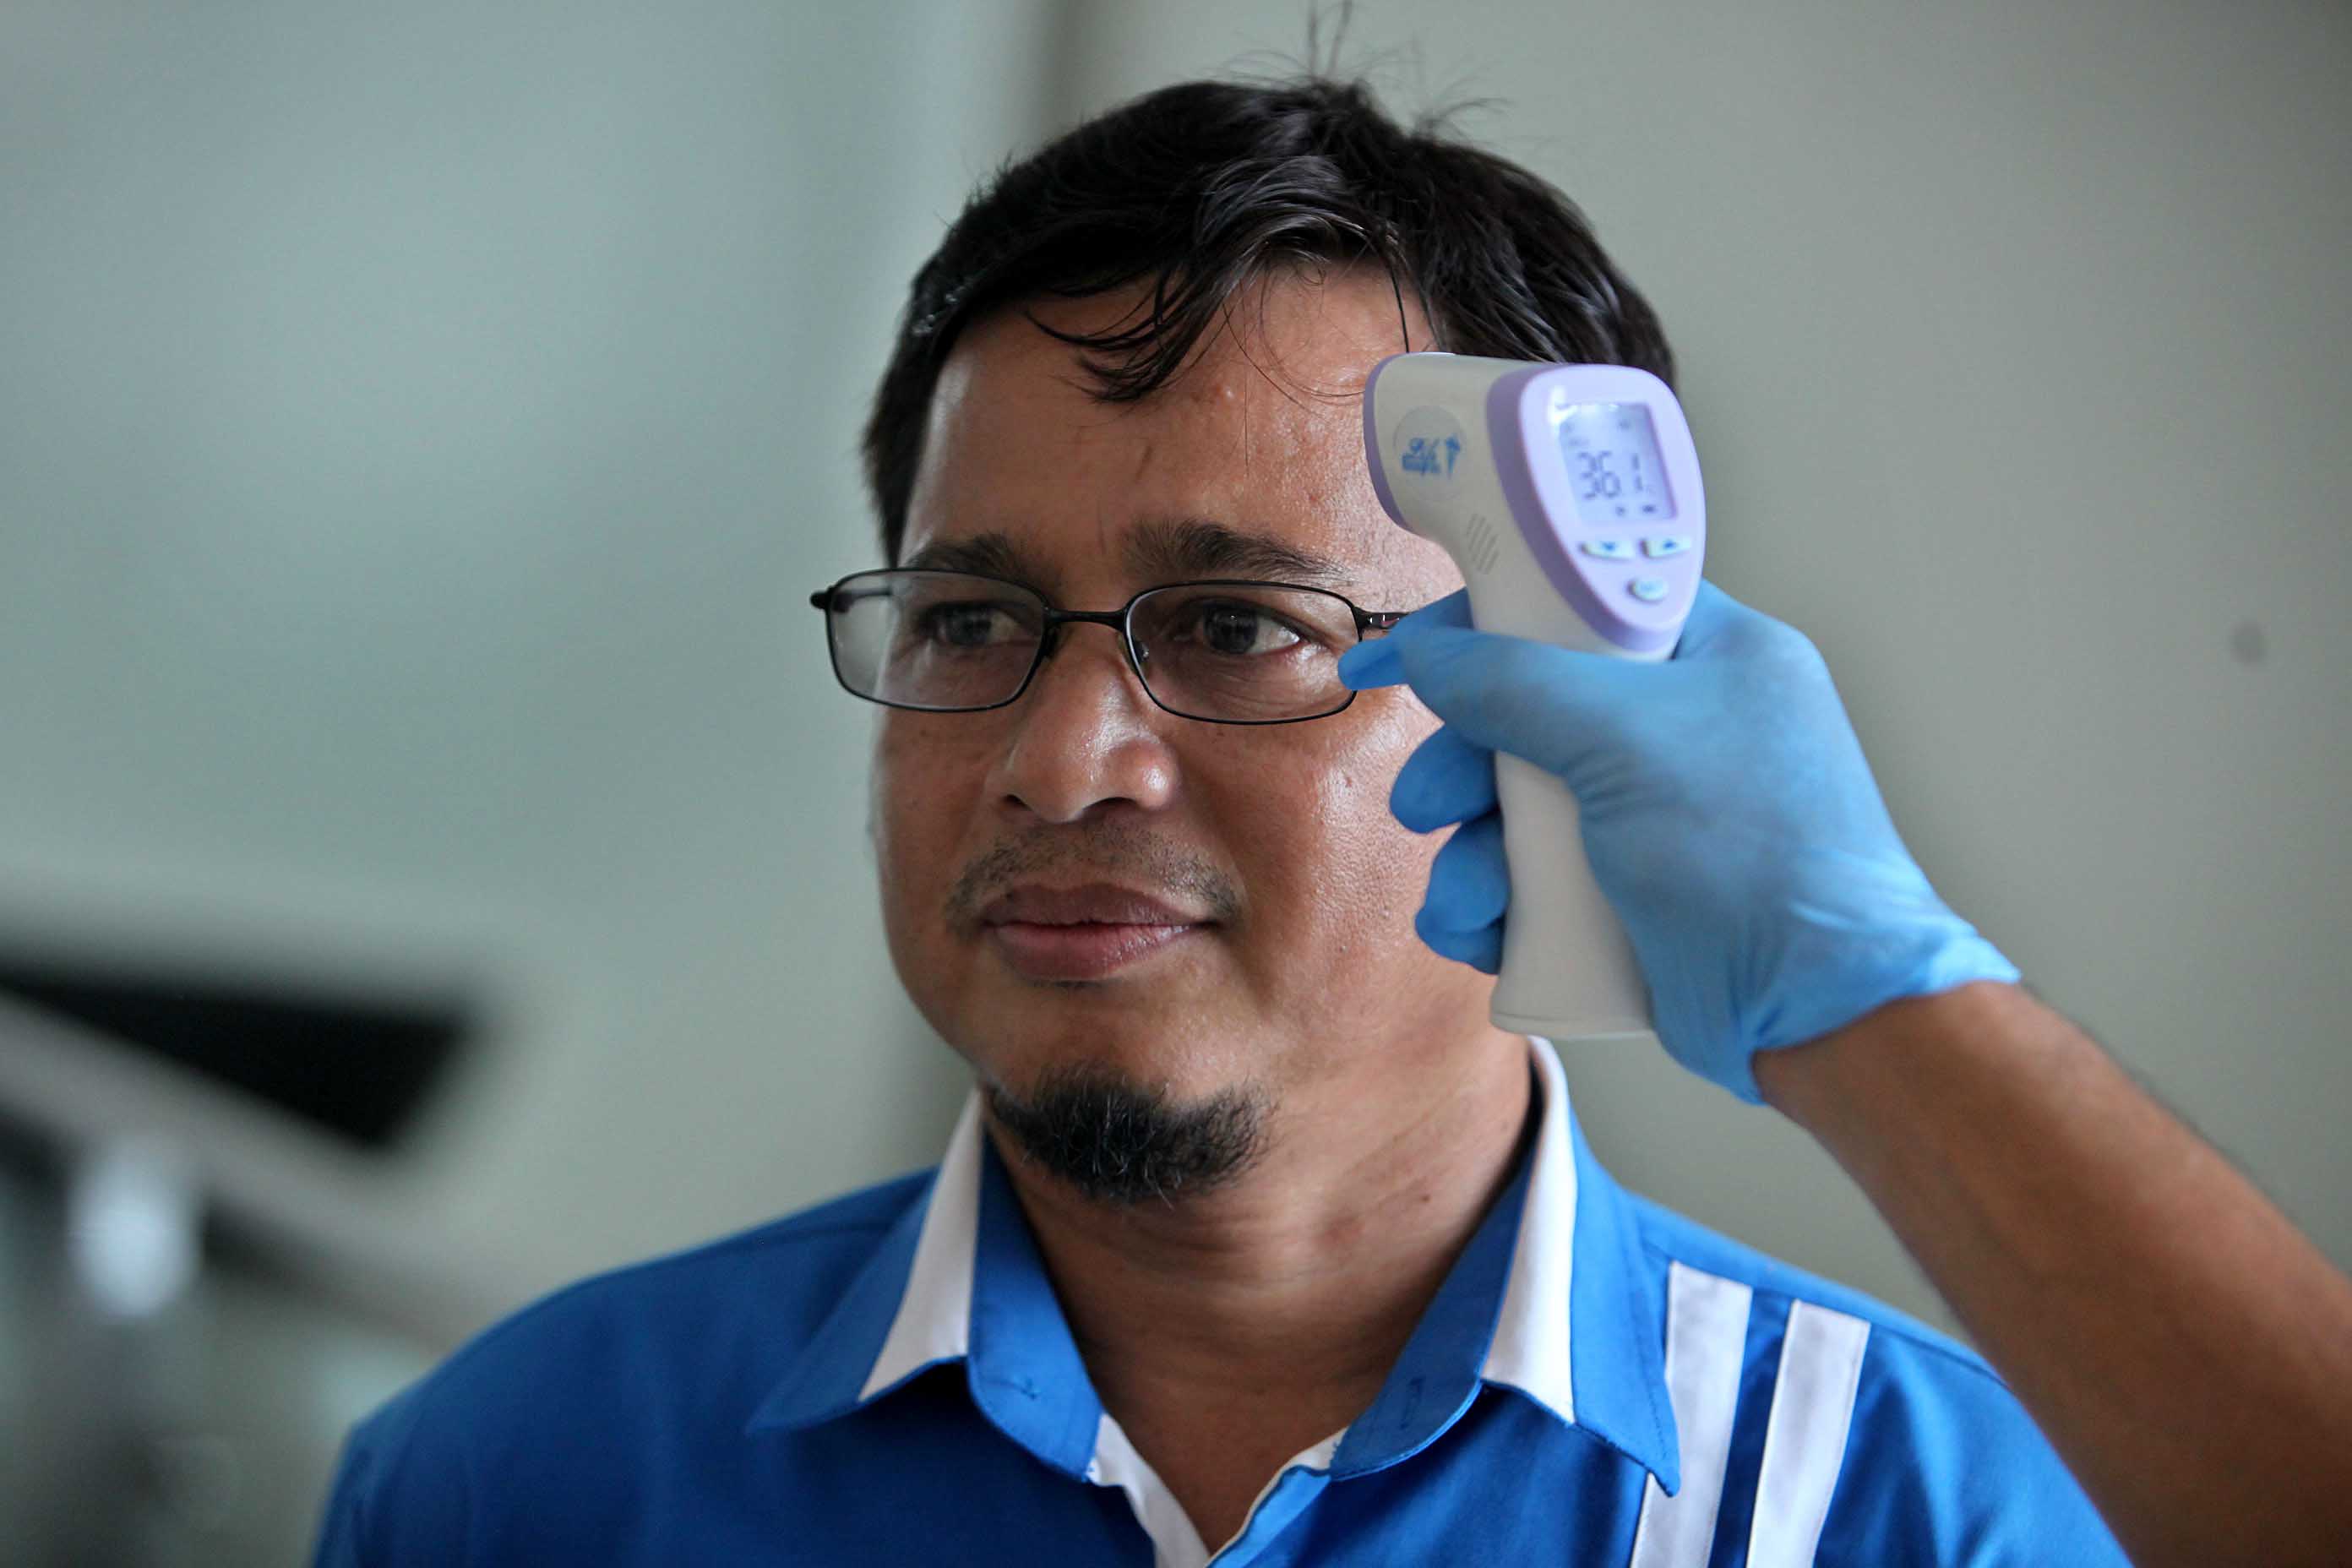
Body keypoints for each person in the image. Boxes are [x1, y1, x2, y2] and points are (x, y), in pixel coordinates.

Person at [313, 76, 2352, 1566]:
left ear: (1561, 708)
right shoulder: (522, 1481)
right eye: (968, 620)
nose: (1062, 755)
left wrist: (1877, 1007)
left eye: (1233, 623)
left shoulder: (1922, 1508)